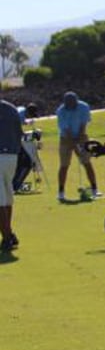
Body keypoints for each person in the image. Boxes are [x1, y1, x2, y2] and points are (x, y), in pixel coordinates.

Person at [55, 91, 100, 202]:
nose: (70, 106)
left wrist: (80, 142)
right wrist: (74, 145)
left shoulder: (83, 107)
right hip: (65, 138)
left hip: (82, 136)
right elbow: (66, 129)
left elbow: (83, 125)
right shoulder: (61, 111)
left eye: (72, 103)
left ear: (76, 101)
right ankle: (61, 192)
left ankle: (94, 189)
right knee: (64, 165)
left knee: (86, 162)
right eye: (68, 104)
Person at [0, 98, 23, 250]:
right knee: (7, 198)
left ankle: (7, 237)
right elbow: (19, 133)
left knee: (0, 201)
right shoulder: (11, 108)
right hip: (12, 157)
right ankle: (9, 234)